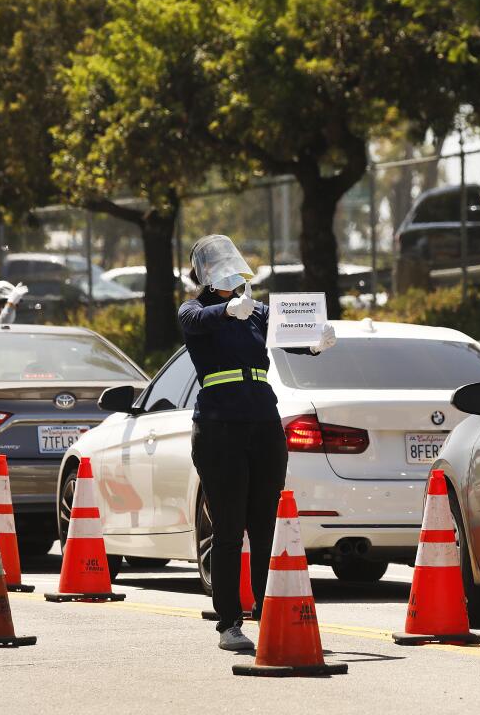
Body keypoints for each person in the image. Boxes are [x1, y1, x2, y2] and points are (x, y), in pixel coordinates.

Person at [178, 234, 335, 652]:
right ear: (206, 275)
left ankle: (271, 612)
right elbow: (195, 322)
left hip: (263, 423)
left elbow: (290, 334)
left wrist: (316, 343)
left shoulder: (257, 311)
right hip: (218, 428)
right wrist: (226, 310)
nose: (230, 271)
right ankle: (229, 621)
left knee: (266, 524)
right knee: (229, 527)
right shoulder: (196, 309)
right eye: (219, 265)